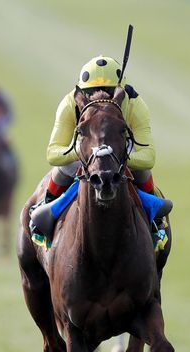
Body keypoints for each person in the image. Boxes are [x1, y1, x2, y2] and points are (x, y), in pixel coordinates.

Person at [32, 55, 171, 240]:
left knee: (143, 171)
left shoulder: (135, 103)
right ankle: (47, 203)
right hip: (85, 151)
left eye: (108, 90)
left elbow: (148, 156)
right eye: (92, 92)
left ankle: (154, 218)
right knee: (63, 168)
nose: (101, 96)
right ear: (82, 93)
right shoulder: (69, 104)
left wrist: (116, 157)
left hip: (120, 150)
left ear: (119, 91)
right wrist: (84, 153)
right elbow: (53, 153)